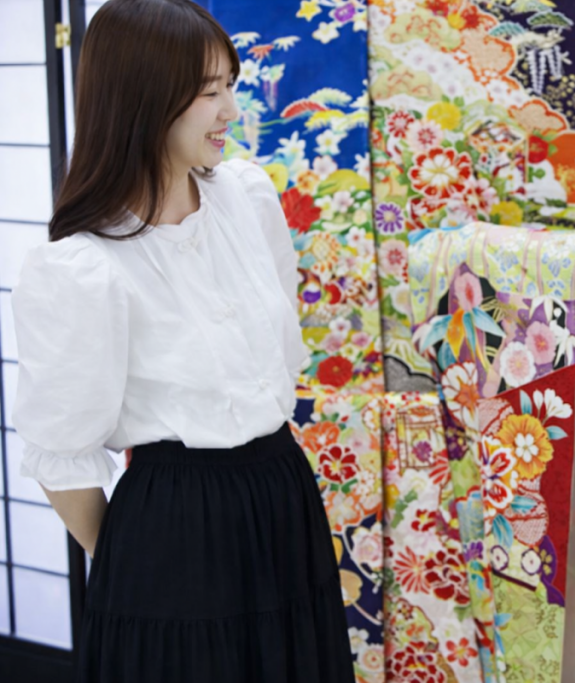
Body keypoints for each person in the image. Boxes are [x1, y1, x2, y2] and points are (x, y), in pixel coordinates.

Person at [11, 1, 354, 680]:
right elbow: (60, 454)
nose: (231, 109)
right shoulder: (83, 267)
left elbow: (278, 353)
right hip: (174, 531)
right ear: (141, 99)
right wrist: (139, 563)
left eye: (230, 84)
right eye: (207, 92)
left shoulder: (248, 198)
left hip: (283, 498)